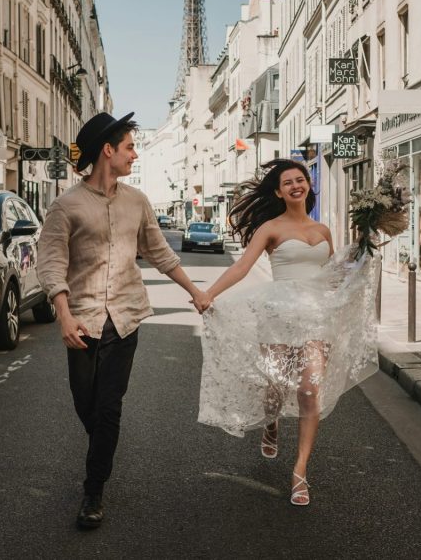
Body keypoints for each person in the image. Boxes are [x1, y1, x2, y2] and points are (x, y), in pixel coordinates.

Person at [37, 111, 211, 530]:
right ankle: (101, 454)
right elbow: (51, 263)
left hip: (126, 319)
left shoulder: (138, 202)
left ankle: (93, 491)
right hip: (82, 322)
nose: (135, 154)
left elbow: (160, 253)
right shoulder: (66, 206)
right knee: (87, 406)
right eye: (130, 146)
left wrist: (196, 291)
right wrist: (62, 315)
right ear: (108, 151)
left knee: (109, 408)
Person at [194, 159, 379, 507]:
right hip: (278, 315)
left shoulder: (323, 230)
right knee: (276, 385)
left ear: (308, 185)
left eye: (301, 180)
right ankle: (271, 421)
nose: (296, 185)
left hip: (315, 316)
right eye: (288, 182)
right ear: (278, 192)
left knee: (310, 391)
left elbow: (331, 276)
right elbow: (242, 266)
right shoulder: (270, 228)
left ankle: (299, 472)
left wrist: (358, 265)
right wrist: (209, 294)